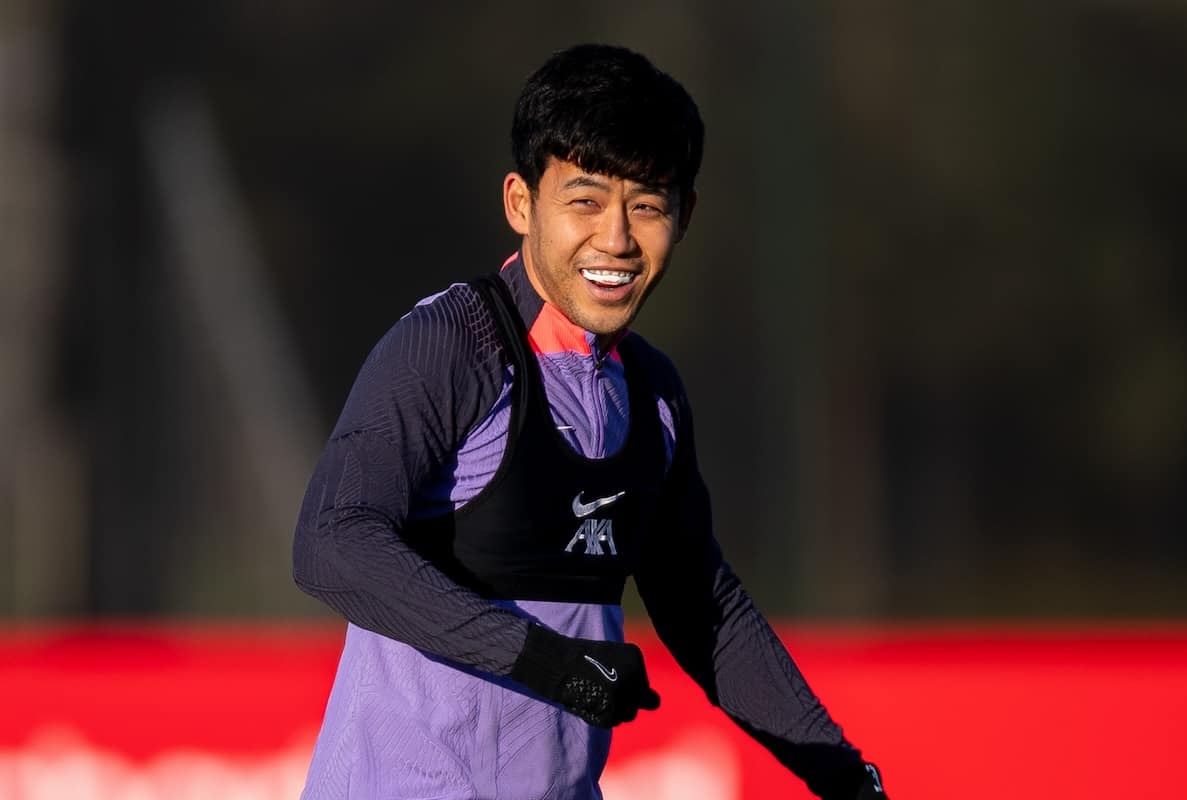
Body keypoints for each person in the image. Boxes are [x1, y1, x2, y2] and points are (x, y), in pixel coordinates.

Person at [293, 43, 890, 800]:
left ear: (685, 214)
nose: (615, 239)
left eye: (646, 204)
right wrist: (547, 662)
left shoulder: (652, 394)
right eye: (585, 199)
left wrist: (844, 775)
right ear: (520, 202)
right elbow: (331, 541)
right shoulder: (451, 346)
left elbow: (704, 610)